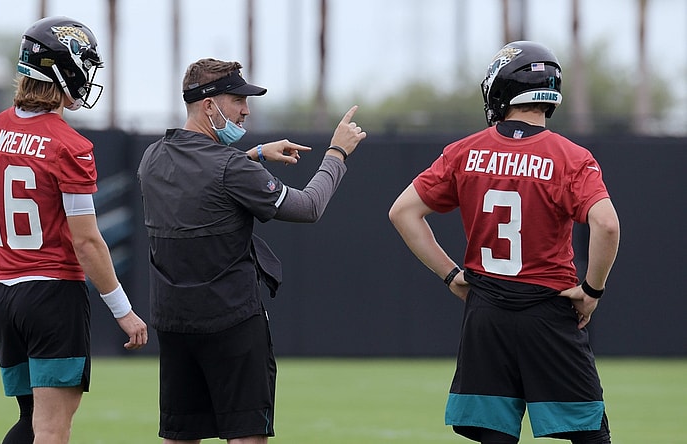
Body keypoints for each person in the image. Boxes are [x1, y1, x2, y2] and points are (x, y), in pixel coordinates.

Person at [389, 41, 620, 444]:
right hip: (548, 310)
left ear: (503, 88)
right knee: (589, 434)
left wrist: (450, 276)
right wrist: (592, 289)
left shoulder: (464, 151)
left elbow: (402, 212)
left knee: (495, 436)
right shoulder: (571, 157)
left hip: (486, 310)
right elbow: (607, 225)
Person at [137, 57, 366, 443]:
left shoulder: (153, 156)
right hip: (231, 322)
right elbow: (307, 207)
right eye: (237, 99)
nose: (246, 109)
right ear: (209, 104)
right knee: (246, 435)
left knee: (181, 436)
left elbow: (201, 174)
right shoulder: (229, 167)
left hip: (174, 323)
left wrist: (255, 154)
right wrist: (336, 154)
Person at [0, 16, 148, 444]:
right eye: (83, 65)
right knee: (51, 428)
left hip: (8, 294)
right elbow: (86, 241)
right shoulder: (69, 145)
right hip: (52, 296)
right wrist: (124, 311)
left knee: (29, 419)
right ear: (62, 68)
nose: (86, 76)